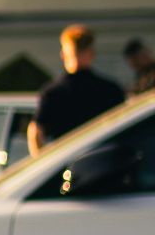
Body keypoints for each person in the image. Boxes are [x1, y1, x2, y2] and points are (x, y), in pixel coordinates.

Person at [29, 25, 126, 155]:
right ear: (92, 54)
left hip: (64, 166)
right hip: (102, 165)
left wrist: (43, 165)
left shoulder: (53, 93)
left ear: (63, 55)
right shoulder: (111, 90)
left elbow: (35, 132)